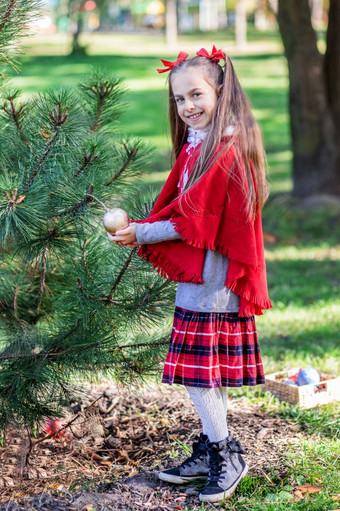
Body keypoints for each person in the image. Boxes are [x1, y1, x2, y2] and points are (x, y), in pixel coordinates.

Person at [108, 45, 272, 504]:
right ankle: (211, 449)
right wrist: (142, 230)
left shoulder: (225, 150)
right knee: (205, 374)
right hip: (202, 280)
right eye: (179, 100)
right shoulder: (201, 145)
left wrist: (140, 232)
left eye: (196, 95)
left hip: (216, 283)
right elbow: (185, 211)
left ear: (220, 91)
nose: (188, 107)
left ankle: (225, 454)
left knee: (202, 376)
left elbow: (191, 221)